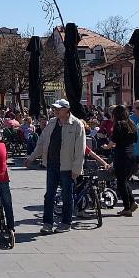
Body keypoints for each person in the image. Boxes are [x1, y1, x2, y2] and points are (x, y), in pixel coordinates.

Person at [25, 99, 86, 232]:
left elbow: (80, 149)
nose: (55, 111)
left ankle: (66, 223)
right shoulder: (52, 123)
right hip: (52, 165)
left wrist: (77, 169)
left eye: (58, 108)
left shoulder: (76, 125)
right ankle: (47, 223)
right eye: (54, 108)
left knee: (67, 195)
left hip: (67, 166)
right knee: (49, 195)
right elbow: (41, 143)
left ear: (66, 109)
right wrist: (32, 157)